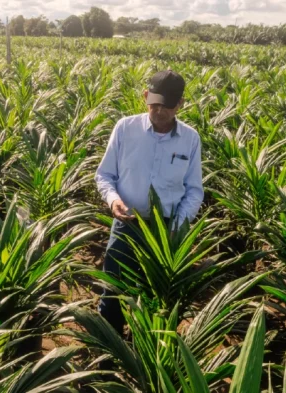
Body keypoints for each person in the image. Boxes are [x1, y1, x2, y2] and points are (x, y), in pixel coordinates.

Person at [94, 70, 204, 335]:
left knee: (157, 300)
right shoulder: (125, 128)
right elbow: (104, 174)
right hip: (126, 223)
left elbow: (194, 191)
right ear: (145, 96)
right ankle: (111, 347)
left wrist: (177, 227)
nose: (159, 110)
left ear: (181, 104)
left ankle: (145, 350)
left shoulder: (190, 139)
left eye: (167, 105)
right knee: (112, 291)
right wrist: (113, 200)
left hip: (167, 231)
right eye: (154, 102)